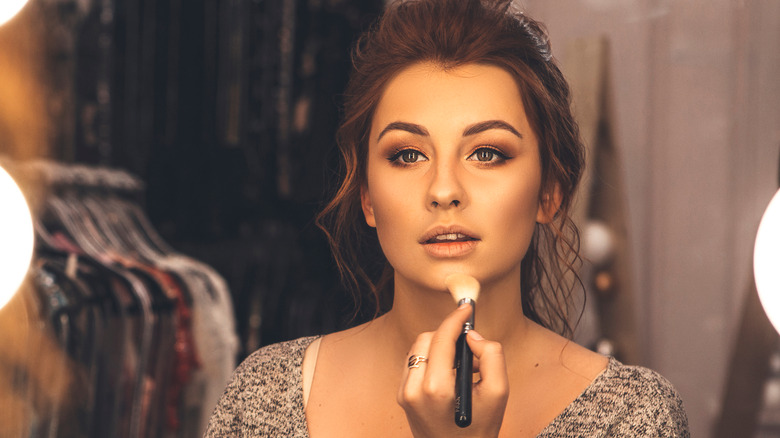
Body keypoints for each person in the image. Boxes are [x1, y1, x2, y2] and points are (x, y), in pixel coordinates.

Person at [205, 0, 690, 436]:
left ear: (549, 192)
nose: (443, 190)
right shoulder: (265, 396)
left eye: (487, 153)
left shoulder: (631, 418)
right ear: (367, 198)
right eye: (407, 155)